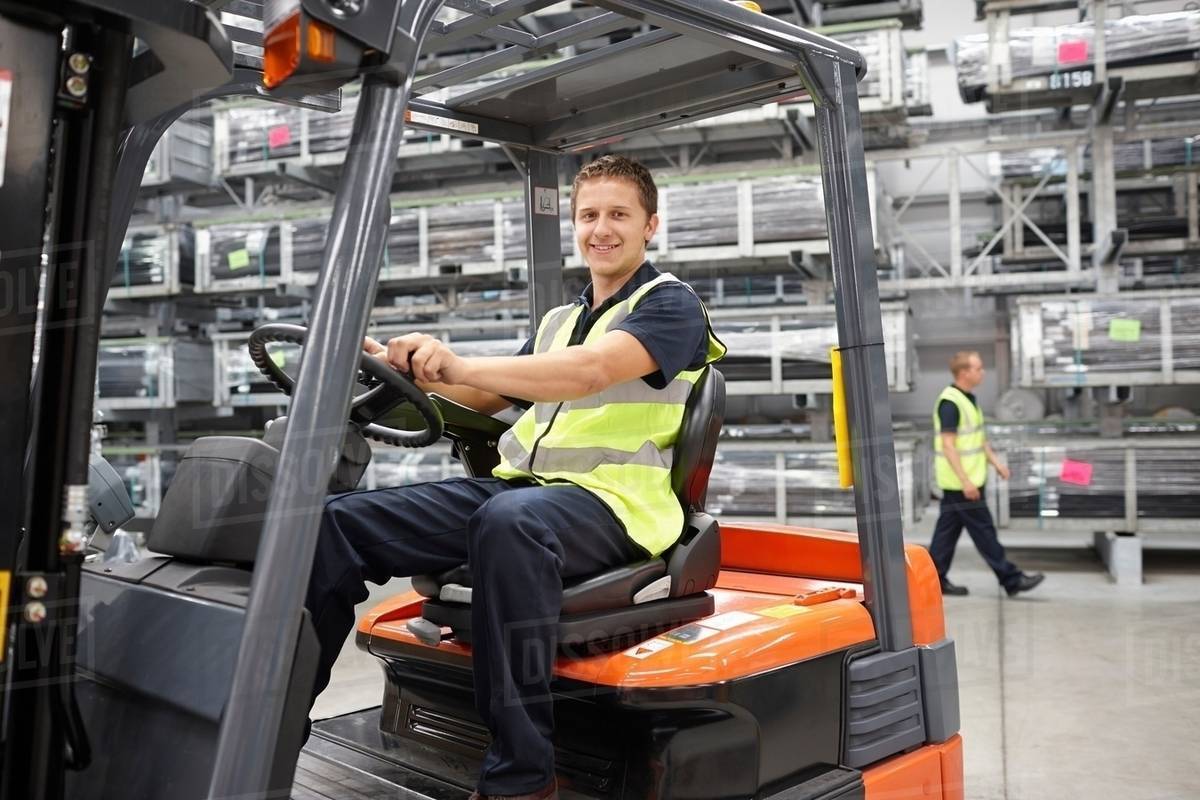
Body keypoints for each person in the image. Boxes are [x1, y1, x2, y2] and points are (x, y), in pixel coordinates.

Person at [304, 155, 725, 800]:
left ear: (651, 226)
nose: (601, 229)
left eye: (619, 215)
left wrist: (462, 360)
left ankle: (524, 777)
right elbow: (492, 401)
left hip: (616, 506)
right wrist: (409, 374)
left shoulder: (672, 306)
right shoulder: (560, 321)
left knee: (506, 524)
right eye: (589, 216)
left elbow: (588, 373)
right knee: (342, 521)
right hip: (527, 492)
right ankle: (276, 721)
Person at [929, 351, 1044, 598]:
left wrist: (996, 463)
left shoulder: (969, 399)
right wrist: (966, 481)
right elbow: (948, 446)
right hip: (961, 483)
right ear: (964, 373)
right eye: (978, 368)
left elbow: (979, 440)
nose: (982, 373)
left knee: (946, 531)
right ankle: (1011, 579)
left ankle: (933, 580)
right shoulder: (950, 403)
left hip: (968, 480)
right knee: (984, 530)